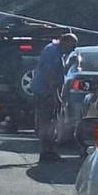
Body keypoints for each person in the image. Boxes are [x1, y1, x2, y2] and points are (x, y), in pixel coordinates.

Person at [31, 32, 78, 163]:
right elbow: (49, 73)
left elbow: (60, 72)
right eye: (72, 45)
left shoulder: (60, 53)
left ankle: (50, 150)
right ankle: (45, 152)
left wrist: (71, 63)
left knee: (52, 122)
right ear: (65, 41)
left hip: (51, 91)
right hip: (45, 92)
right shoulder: (51, 50)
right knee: (46, 122)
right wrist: (55, 95)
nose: (72, 49)